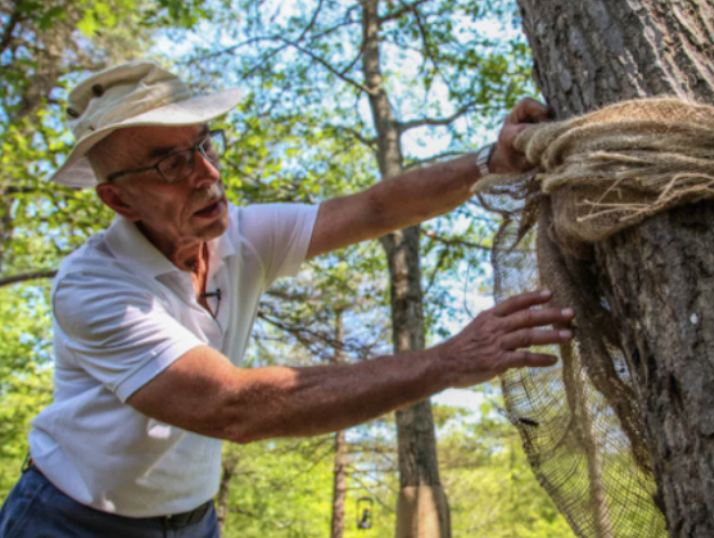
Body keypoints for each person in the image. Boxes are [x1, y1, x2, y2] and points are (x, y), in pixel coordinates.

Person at [0, 61, 572, 537]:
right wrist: (448, 361)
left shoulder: (241, 238)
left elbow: (373, 209)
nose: (206, 174)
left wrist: (491, 164)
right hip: (68, 520)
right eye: (170, 164)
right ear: (118, 201)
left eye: (203, 145)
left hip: (192, 521)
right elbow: (232, 406)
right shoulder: (95, 287)